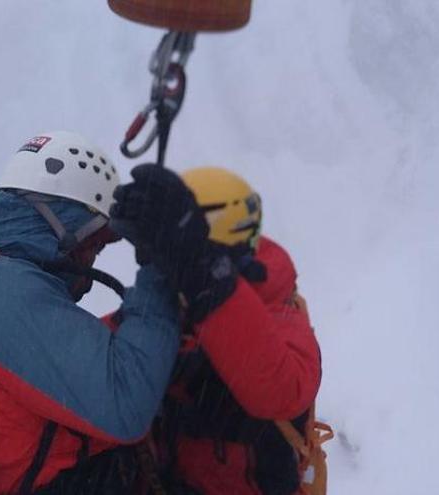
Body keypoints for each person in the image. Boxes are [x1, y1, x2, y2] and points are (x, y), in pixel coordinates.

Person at [0, 131, 181, 495]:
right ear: (60, 220)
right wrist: (161, 275)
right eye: (92, 243)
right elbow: (125, 404)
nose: (91, 262)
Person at [110, 165, 322, 495]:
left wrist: (205, 279)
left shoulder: (281, 312)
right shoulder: (174, 300)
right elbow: (105, 352)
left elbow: (281, 390)